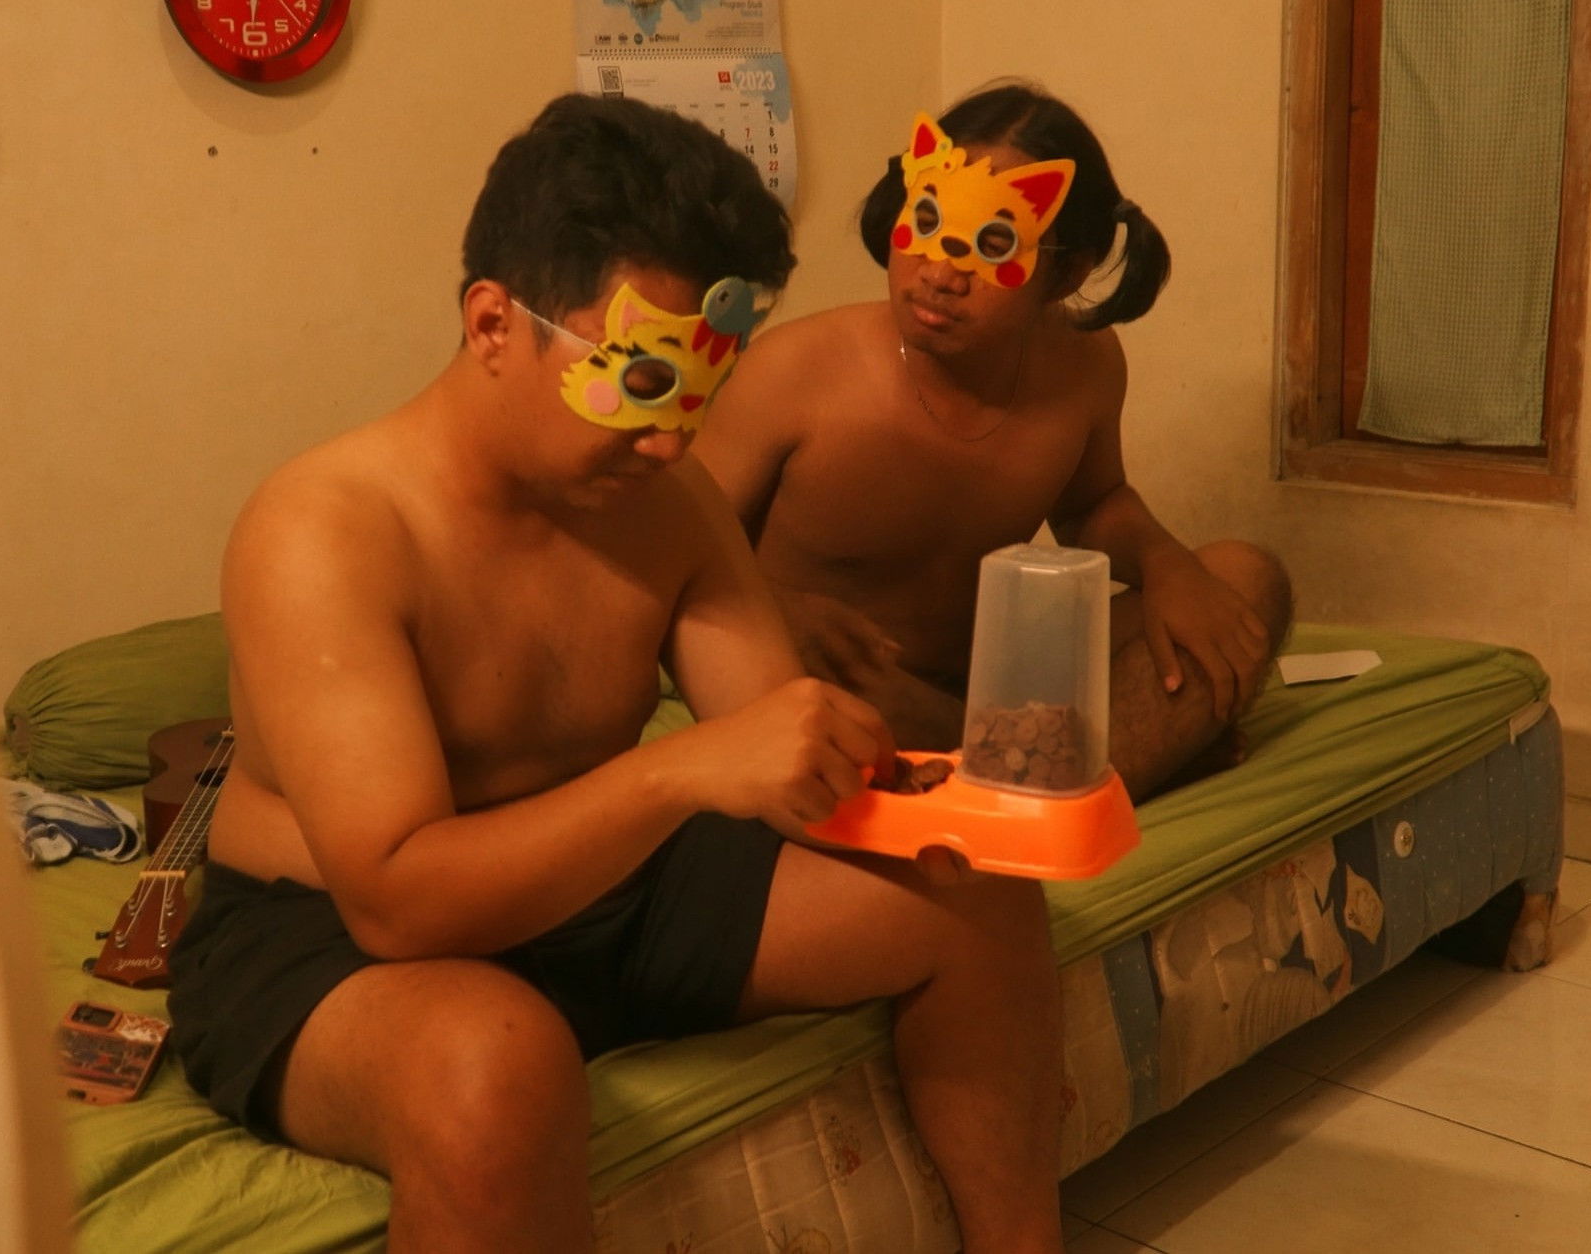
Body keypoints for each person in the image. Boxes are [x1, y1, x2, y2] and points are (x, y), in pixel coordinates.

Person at [171, 94, 1071, 1253]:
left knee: (977, 891)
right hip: (336, 933)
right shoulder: (326, 529)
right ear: (492, 324)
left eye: (699, 392)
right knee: (494, 1067)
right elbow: (397, 901)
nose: (669, 442)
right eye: (642, 385)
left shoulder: (664, 501)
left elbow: (784, 756)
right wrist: (676, 774)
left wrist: (963, 793)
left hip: (604, 886)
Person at [695, 83, 1292, 800]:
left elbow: (1092, 505)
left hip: (996, 672)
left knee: (1246, 579)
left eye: (994, 243)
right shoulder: (793, 371)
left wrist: (1168, 564)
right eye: (926, 222)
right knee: (800, 684)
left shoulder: (1085, 364)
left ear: (1066, 272)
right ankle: (1061, 769)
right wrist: (779, 608)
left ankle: (1032, 779)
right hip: (849, 681)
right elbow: (670, 548)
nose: (940, 274)